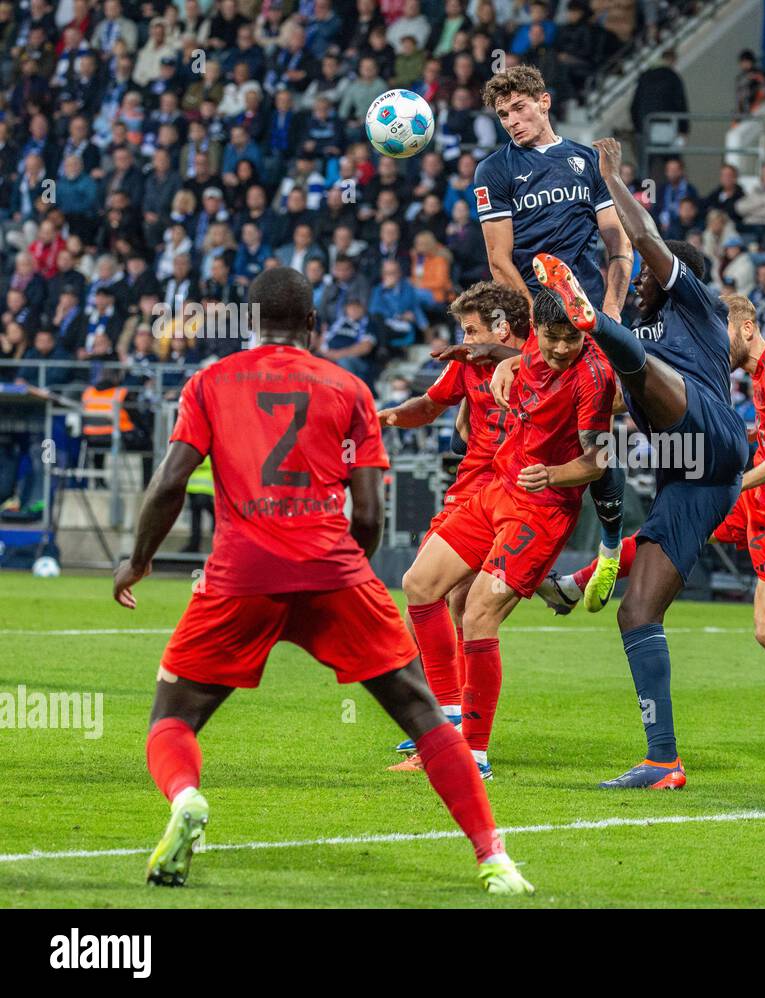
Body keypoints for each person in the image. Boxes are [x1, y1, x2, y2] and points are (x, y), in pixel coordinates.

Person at [111, 268, 532, 895]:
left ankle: (186, 799)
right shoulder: (348, 387)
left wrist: (139, 559)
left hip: (240, 575)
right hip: (332, 568)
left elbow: (170, 483)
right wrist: (351, 575)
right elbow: (368, 512)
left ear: (250, 323)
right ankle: (493, 857)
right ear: (313, 325)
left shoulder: (209, 383)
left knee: (172, 719)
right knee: (422, 716)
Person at [517, 135, 749, 790]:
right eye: (642, 279)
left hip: (715, 435)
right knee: (636, 613)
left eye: (648, 277)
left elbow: (644, 236)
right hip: (692, 477)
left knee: (640, 366)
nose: (642, 282)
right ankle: (662, 760)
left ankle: (593, 323)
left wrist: (606, 176)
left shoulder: (696, 305)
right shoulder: (644, 335)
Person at [540, 295, 765, 769]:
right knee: (667, 532)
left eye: (718, 331)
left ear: (746, 328)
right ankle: (574, 584)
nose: (710, 341)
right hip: (763, 503)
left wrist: (734, 481)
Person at [395, 286, 614, 776]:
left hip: (543, 507)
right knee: (418, 585)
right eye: (552, 338)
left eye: (570, 340)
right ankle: (447, 714)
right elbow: (511, 346)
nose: (559, 349)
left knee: (476, 614)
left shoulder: (593, 376)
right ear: (536, 332)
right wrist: (503, 361)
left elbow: (599, 459)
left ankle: (471, 755)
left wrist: (555, 474)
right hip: (498, 487)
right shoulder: (533, 346)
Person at [473, 64, 633, 610]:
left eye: (519, 108)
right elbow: (499, 260)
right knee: (517, 438)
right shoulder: (494, 171)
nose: (512, 121)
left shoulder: (587, 161)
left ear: (544, 102)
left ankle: (609, 551)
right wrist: (534, 333)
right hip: (544, 328)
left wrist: (609, 314)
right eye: (502, 115)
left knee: (599, 436)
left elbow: (617, 240)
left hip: (595, 319)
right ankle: (534, 569)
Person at [376, 282, 529, 772]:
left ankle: (450, 729)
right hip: (470, 490)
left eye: (471, 329)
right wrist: (388, 416)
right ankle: (452, 718)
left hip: (516, 494)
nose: (464, 339)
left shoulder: (542, 359)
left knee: (450, 597)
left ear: (502, 328)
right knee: (439, 593)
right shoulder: (466, 365)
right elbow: (429, 405)